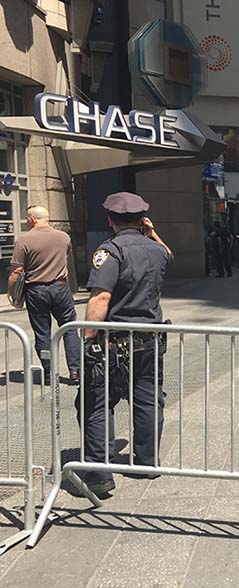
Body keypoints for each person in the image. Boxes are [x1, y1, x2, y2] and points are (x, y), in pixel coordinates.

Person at [76, 192, 173, 498]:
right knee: (147, 399)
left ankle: (99, 474)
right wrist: (152, 232)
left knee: (96, 403)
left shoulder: (110, 250)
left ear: (110, 219)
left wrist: (88, 337)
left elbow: (101, 296)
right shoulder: (156, 249)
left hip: (114, 344)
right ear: (141, 219)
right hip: (150, 340)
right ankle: (146, 462)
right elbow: (168, 255)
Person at [8, 205, 81, 383]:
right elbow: (66, 257)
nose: (26, 221)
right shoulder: (64, 237)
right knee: (70, 328)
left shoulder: (24, 240)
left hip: (36, 291)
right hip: (60, 287)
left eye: (27, 218)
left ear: (33, 219)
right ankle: (76, 370)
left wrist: (12, 294)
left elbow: (17, 271)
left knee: (42, 333)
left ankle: (49, 372)